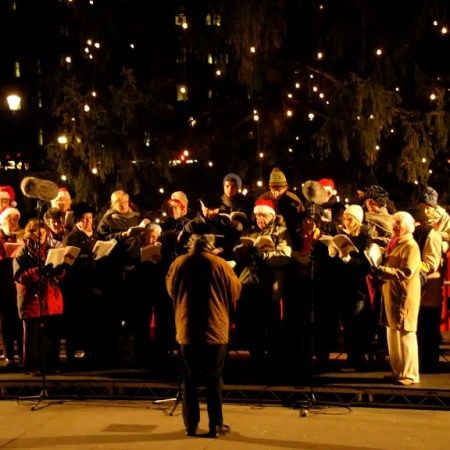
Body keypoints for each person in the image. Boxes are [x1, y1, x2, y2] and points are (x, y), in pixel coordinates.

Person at [166, 234, 241, 438]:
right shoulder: (220, 264)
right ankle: (215, 425)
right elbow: (235, 291)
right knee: (214, 379)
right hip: (214, 330)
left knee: (189, 380)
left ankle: (191, 425)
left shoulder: (179, 263)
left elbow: (170, 289)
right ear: (211, 246)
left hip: (187, 329)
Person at [377, 211, 421, 385]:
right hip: (392, 294)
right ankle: (398, 371)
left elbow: (406, 272)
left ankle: (410, 374)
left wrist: (382, 270)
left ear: (407, 226)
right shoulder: (394, 243)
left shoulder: (411, 245)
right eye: (393, 223)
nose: (394, 227)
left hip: (404, 296)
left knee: (406, 334)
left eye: (398, 224)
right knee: (392, 333)